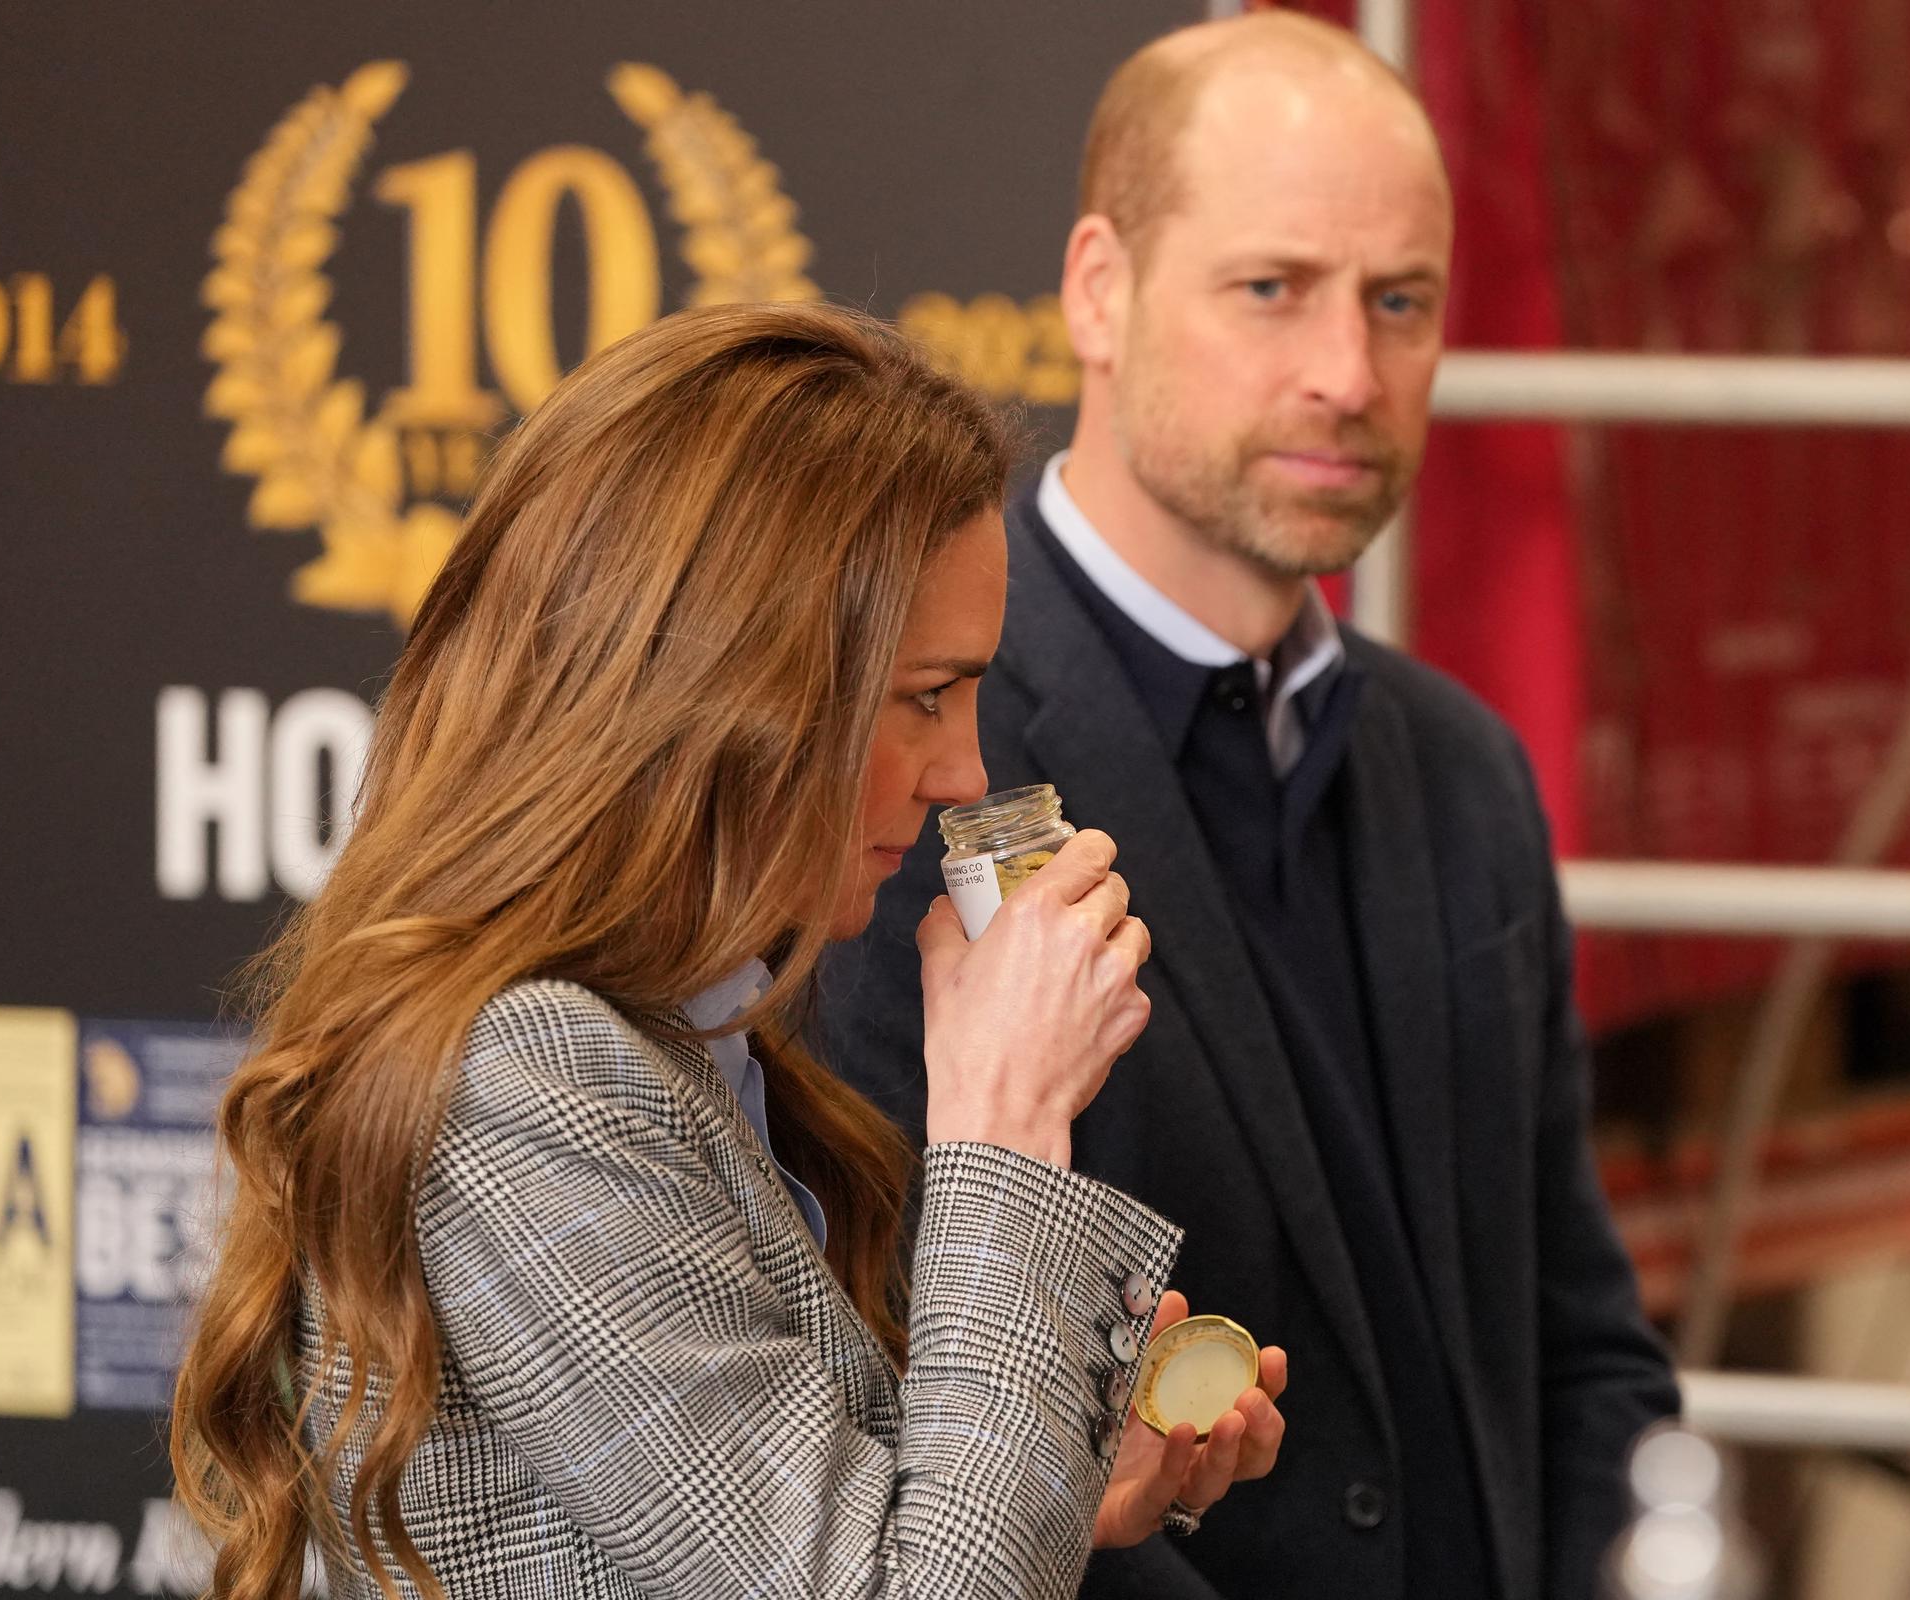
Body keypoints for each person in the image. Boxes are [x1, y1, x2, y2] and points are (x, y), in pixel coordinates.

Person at [169, 302, 1287, 1599]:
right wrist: (1007, 1112)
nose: (966, 768)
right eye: (926, 695)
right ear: (728, 687)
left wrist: (1051, 1484)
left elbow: (835, 1538)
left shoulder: (694, 1039)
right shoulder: (521, 1083)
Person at [819, 15, 1678, 1600]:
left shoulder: (1468, 773)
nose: (1347, 373)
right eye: (1272, 289)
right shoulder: (909, 758)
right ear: (1098, 288)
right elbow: (877, 1407)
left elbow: (1578, 1357)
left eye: (1400, 301)